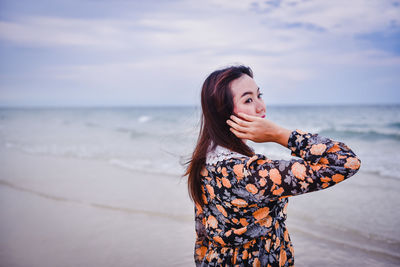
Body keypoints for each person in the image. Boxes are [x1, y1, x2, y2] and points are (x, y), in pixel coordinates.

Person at [184, 65, 361, 266]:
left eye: (260, 95)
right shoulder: (253, 173)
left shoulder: (205, 160)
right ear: (224, 113)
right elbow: (346, 161)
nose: (261, 107)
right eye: (248, 100)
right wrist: (280, 135)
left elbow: (203, 233)